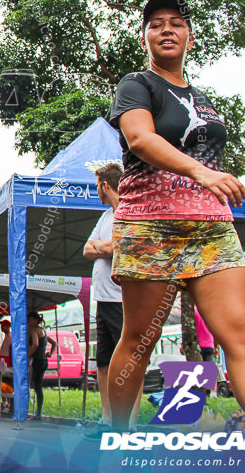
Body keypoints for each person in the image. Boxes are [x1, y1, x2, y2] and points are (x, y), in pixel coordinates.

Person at [105, 0, 245, 454]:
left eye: (176, 23)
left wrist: (210, 181)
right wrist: (201, 172)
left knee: (243, 337)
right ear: (145, 36)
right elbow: (140, 138)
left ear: (189, 35)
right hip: (151, 226)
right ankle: (117, 437)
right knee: (138, 341)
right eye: (156, 24)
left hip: (210, 227)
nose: (166, 29)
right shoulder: (136, 84)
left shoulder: (202, 99)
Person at [81, 162, 141, 430]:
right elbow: (87, 249)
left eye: (97, 187)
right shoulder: (105, 217)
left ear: (106, 186)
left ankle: (129, 424)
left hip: (123, 300)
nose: (97, 191)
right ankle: (107, 420)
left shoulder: (130, 212)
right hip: (102, 300)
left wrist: (103, 247)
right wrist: (107, 247)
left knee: (129, 362)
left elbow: (124, 246)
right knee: (103, 363)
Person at [26, 312, 55, 422]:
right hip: (43, 360)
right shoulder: (43, 330)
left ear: (35, 320)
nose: (28, 321)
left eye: (30, 319)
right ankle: (38, 413)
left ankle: (38, 414)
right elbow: (54, 343)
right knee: (38, 386)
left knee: (36, 385)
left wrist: (27, 355)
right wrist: (50, 353)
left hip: (37, 360)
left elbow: (35, 344)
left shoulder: (33, 330)